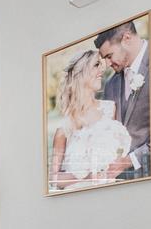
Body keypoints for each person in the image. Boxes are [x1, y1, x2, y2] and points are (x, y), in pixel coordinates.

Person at [50, 51, 132, 190]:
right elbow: (54, 179)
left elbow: (119, 154)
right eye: (96, 65)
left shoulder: (110, 109)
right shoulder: (65, 127)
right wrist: (87, 176)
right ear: (80, 72)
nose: (102, 70)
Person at [96, 18, 151, 179]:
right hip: (119, 182)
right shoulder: (110, 84)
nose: (107, 64)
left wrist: (129, 160)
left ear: (127, 38)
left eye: (109, 56)